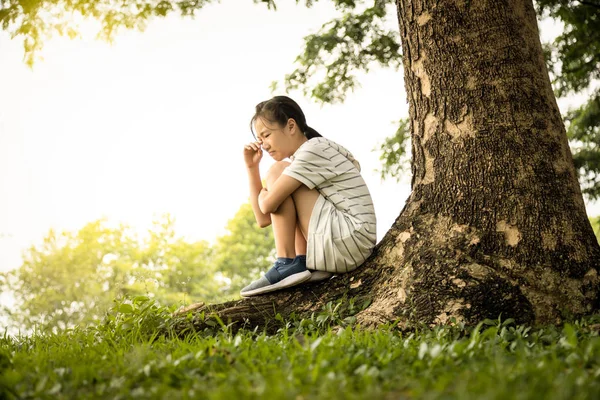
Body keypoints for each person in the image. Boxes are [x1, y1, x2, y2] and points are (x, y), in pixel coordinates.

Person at [240, 95, 377, 297]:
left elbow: (267, 206)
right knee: (280, 174)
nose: (264, 145)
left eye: (267, 135)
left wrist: (264, 196)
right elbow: (263, 219)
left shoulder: (313, 149)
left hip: (350, 239)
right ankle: (299, 263)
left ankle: (286, 261)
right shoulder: (305, 156)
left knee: (278, 171)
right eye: (260, 140)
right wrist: (252, 167)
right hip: (347, 243)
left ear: (291, 126)